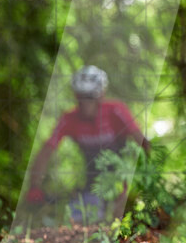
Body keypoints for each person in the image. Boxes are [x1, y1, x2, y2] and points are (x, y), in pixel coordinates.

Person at [25, 65, 151, 224]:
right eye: (80, 96)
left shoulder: (116, 111)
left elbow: (143, 143)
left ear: (100, 96)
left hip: (123, 181)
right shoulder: (69, 118)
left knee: (120, 222)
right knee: (78, 224)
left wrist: (149, 181)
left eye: (90, 96)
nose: (84, 103)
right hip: (92, 184)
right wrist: (35, 186)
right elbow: (46, 152)